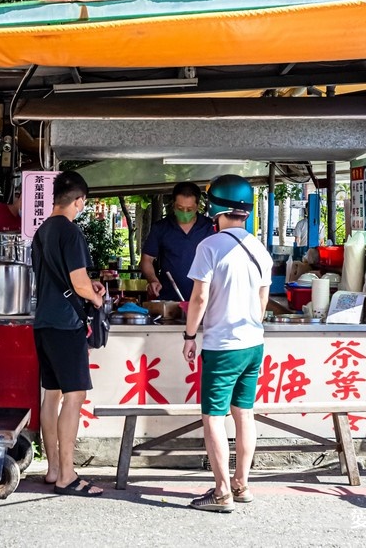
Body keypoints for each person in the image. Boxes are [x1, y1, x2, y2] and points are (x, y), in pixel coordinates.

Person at [182, 174, 272, 513]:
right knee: (244, 414)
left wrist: (190, 336)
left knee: (213, 418)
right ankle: (241, 483)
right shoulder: (260, 250)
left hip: (223, 347)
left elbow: (199, 297)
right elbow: (262, 301)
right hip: (253, 344)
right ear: (246, 210)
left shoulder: (209, 246)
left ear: (215, 208)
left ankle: (221, 493)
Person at [30, 170, 105, 497]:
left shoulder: (42, 231)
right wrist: (96, 297)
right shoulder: (71, 233)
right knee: (74, 396)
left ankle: (53, 470)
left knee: (52, 394)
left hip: (44, 321)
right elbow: (77, 282)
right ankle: (68, 476)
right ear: (79, 201)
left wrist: (87, 289)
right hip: (65, 325)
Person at [141, 182, 215, 300]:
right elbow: (146, 260)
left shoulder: (210, 227)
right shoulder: (161, 228)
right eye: (180, 208)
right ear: (173, 205)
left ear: (197, 206)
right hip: (169, 298)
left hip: (204, 298)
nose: (184, 212)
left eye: (189, 209)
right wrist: (153, 280)